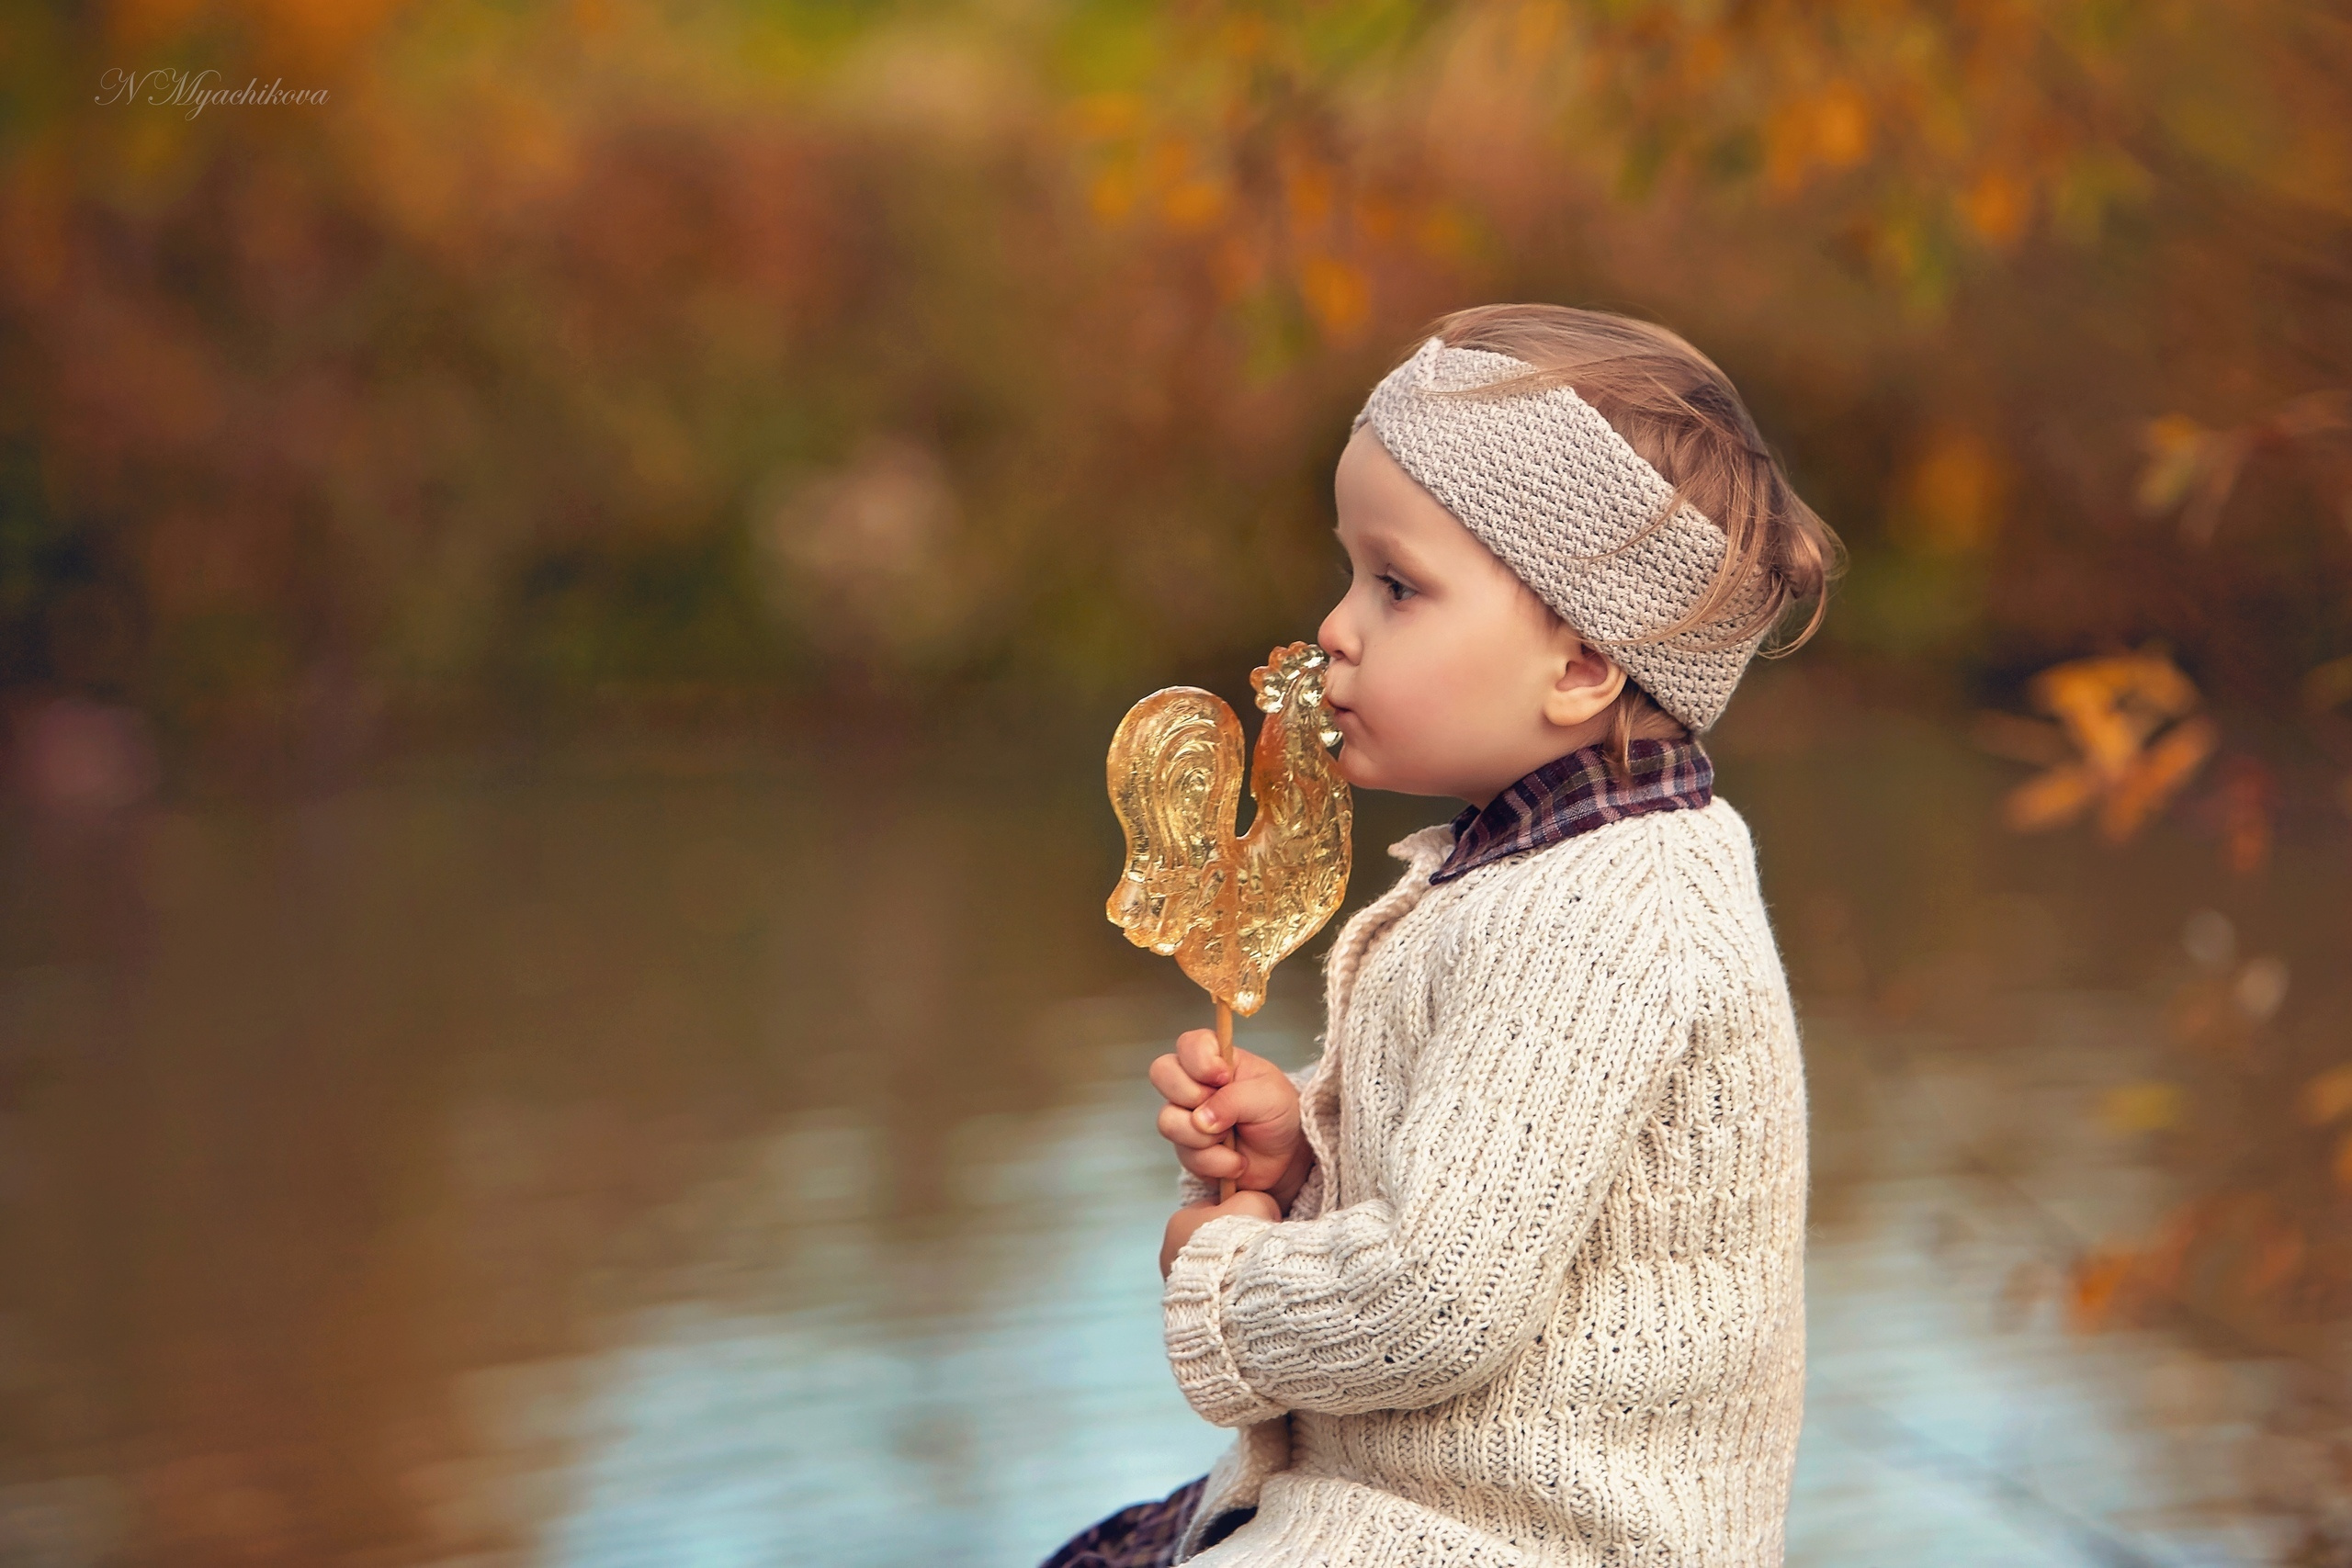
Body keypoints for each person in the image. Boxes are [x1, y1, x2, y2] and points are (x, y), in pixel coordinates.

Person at [1044, 303, 1837, 1568]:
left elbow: (1432, 1300)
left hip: (1517, 1541)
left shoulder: (1599, 916)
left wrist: (1227, 1278)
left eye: (1398, 586)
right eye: (1352, 572)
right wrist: (1312, 1154)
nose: (1336, 629)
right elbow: (1498, 1169)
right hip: (1414, 1512)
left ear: (1580, 664)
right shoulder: (1548, 868)